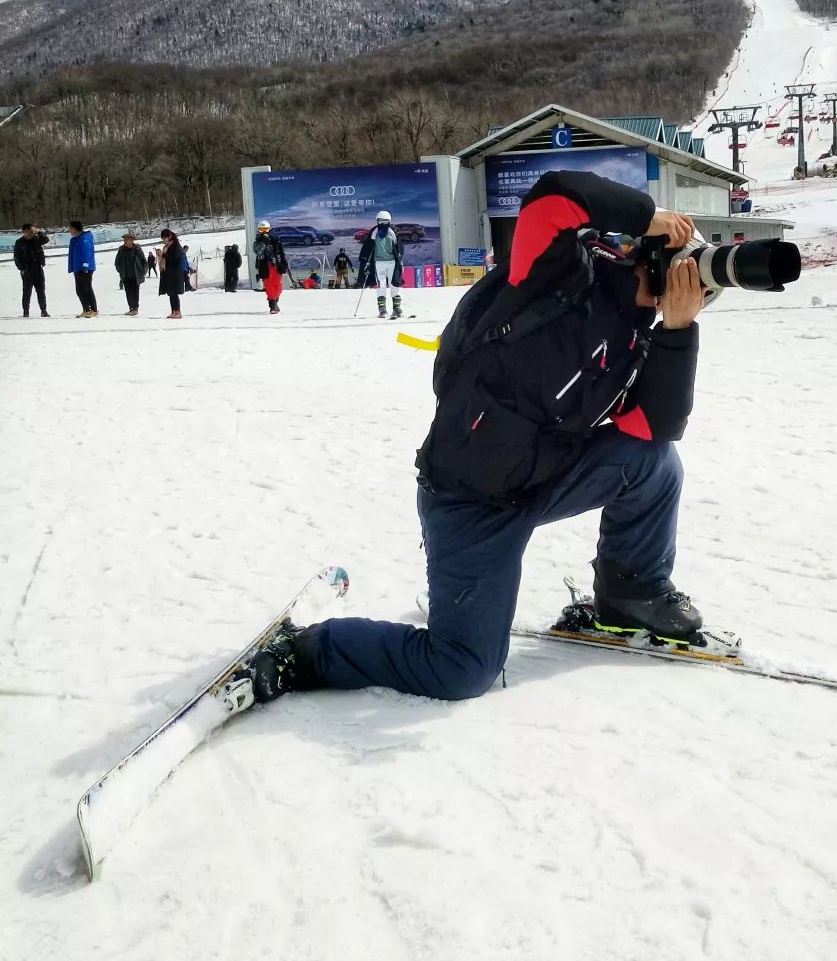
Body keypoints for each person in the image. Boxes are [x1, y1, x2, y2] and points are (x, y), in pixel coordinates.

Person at [244, 168, 708, 706]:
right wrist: (648, 216)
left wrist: (678, 331)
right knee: (459, 670)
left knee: (653, 462)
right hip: (471, 500)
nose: (692, 289)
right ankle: (307, 650)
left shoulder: (639, 338)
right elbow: (553, 196)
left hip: (544, 479)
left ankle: (630, 595)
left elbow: (654, 428)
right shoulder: (555, 271)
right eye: (687, 276)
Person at [356, 210, 404, 318]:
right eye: (381, 221)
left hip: (380, 263)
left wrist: (365, 261)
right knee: (394, 284)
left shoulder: (375, 232)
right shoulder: (392, 232)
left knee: (382, 285)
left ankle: (383, 310)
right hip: (390, 262)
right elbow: (399, 248)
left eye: (383, 221)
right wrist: (400, 261)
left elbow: (367, 247)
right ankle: (397, 309)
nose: (382, 223)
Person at [253, 221, 290, 314]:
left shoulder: (276, 240)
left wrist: (284, 263)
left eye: (266, 229)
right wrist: (263, 242)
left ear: (269, 229)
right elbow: (257, 251)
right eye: (262, 230)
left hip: (276, 265)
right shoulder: (257, 241)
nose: (264, 232)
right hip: (264, 266)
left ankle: (275, 299)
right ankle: (272, 305)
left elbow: (281, 253)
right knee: (269, 285)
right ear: (259, 230)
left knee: (277, 285)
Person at [14, 223, 50, 318]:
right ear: (23, 232)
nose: (29, 233)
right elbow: (16, 257)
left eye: (31, 231)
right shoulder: (19, 242)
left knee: (41, 292)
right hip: (27, 271)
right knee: (26, 292)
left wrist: (38, 231)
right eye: (27, 232)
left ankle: (44, 311)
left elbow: (46, 239)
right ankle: (26, 312)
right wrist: (22, 269)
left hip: (38, 269)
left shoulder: (37, 239)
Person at [68, 220, 98, 318]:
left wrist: (85, 265)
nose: (69, 230)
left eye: (70, 228)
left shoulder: (85, 238)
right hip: (77, 267)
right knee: (79, 289)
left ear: (75, 228)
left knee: (86, 288)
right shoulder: (74, 239)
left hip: (85, 267)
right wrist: (72, 267)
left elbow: (87, 252)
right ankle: (86, 309)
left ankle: (93, 309)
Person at [114, 232, 148, 316]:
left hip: (136, 276)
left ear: (132, 241)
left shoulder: (137, 249)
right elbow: (117, 262)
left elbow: (144, 262)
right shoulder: (121, 250)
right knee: (128, 293)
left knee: (135, 292)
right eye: (125, 240)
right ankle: (131, 308)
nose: (125, 242)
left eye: (127, 240)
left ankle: (135, 308)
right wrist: (120, 271)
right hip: (126, 276)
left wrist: (143, 272)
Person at [158, 228, 186, 319]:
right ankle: (173, 311)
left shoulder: (176, 246)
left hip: (175, 273)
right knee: (170, 293)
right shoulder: (167, 247)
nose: (164, 240)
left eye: (164, 238)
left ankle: (178, 311)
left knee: (174, 293)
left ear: (169, 236)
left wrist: (164, 255)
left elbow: (173, 258)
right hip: (169, 272)